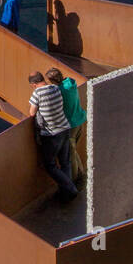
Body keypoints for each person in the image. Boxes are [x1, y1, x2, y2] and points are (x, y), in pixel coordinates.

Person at [28, 71, 77, 202]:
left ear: (33, 84)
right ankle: (66, 192)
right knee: (65, 162)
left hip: (51, 134)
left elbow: (32, 112)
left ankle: (71, 189)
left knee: (50, 165)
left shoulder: (37, 93)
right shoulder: (55, 88)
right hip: (65, 127)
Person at [47, 67, 86, 182]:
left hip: (71, 125)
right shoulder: (70, 84)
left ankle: (74, 180)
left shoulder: (59, 92)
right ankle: (81, 173)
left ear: (53, 81)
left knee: (70, 155)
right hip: (80, 119)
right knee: (73, 150)